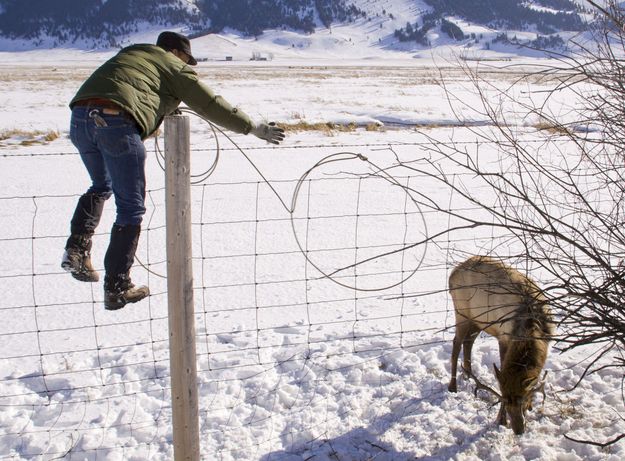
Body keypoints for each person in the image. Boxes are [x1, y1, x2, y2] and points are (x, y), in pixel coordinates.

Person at [62, 31, 285, 310]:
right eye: (186, 59)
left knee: (101, 186)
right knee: (131, 208)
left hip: (80, 118)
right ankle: (117, 286)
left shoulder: (132, 54)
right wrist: (254, 128)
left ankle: (76, 251)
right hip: (117, 121)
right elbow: (209, 102)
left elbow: (133, 87)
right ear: (177, 53)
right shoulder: (171, 65)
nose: (187, 65)